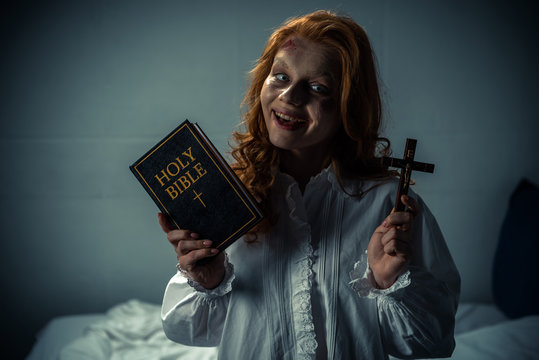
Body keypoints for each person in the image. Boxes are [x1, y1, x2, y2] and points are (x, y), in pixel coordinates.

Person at [158, 10, 460, 360]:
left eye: (318, 87)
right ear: (261, 85)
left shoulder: (390, 207)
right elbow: (188, 332)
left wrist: (390, 281)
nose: (291, 96)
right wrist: (207, 281)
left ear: (349, 105)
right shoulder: (228, 196)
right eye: (280, 76)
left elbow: (432, 343)